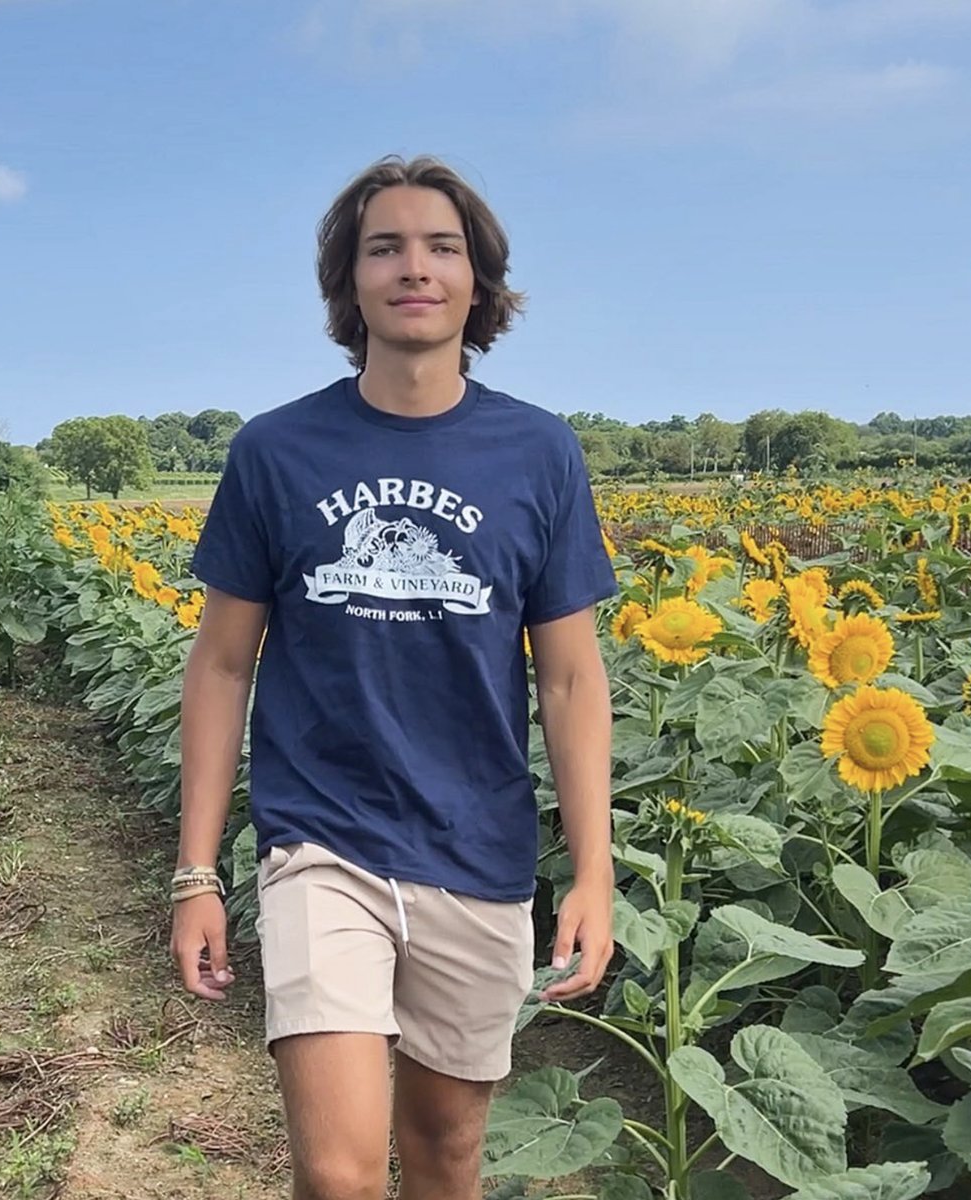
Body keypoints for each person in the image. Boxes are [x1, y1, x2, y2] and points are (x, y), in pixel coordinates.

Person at [170, 153, 617, 1200]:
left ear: (478, 279)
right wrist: (196, 874)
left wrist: (593, 872)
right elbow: (222, 663)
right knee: (338, 1173)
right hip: (321, 843)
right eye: (385, 248)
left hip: (478, 849)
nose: (414, 268)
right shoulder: (277, 451)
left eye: (441, 247)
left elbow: (569, 681)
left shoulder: (538, 453)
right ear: (350, 282)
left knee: (446, 1150)